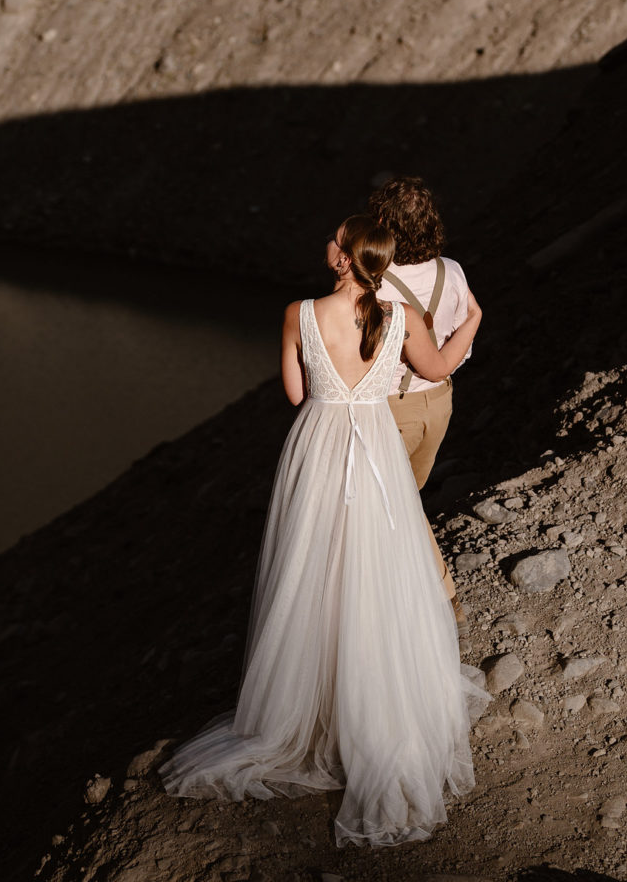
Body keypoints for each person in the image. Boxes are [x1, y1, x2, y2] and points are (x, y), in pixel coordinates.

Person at [159, 214, 487, 848]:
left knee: (315, 564)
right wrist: (470, 319)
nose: (328, 240)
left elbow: (294, 392)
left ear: (343, 259)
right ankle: (377, 695)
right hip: (377, 445)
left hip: (319, 442)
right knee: (379, 560)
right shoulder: (401, 317)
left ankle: (313, 700)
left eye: (335, 237)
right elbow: (440, 369)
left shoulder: (298, 312)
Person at [369, 177, 474, 636]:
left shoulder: (372, 283)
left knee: (395, 506)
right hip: (440, 403)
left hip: (391, 407)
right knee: (401, 500)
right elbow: (465, 328)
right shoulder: (452, 270)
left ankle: (443, 595)